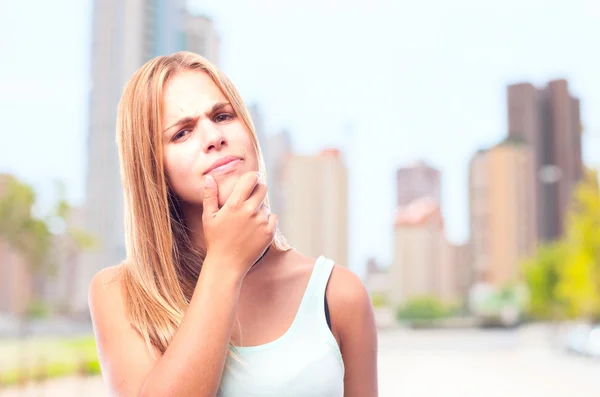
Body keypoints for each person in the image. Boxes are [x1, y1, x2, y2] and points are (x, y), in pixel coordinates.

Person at [88, 51, 378, 397]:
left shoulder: (339, 294)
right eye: (182, 133)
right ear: (153, 169)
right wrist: (225, 263)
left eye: (223, 115)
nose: (214, 136)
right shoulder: (120, 293)